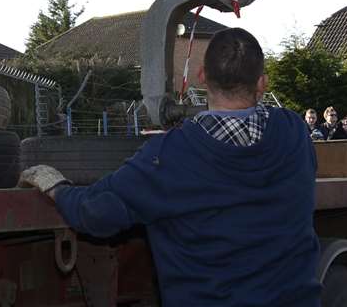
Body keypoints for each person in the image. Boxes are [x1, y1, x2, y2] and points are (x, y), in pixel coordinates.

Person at [19, 28, 319, 306]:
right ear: (262, 83)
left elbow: (97, 213)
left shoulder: (169, 155)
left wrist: (57, 188)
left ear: (202, 76)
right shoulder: (294, 132)